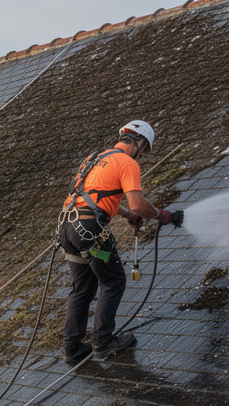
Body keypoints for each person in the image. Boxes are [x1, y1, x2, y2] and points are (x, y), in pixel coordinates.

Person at [59, 120, 184, 363]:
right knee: (113, 281)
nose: (142, 157)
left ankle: (71, 348)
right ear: (139, 143)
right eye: (144, 151)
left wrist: (127, 215)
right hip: (90, 234)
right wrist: (162, 215)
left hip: (68, 230)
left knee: (83, 288)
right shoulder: (127, 163)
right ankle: (102, 342)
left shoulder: (95, 157)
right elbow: (138, 203)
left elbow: (95, 196)